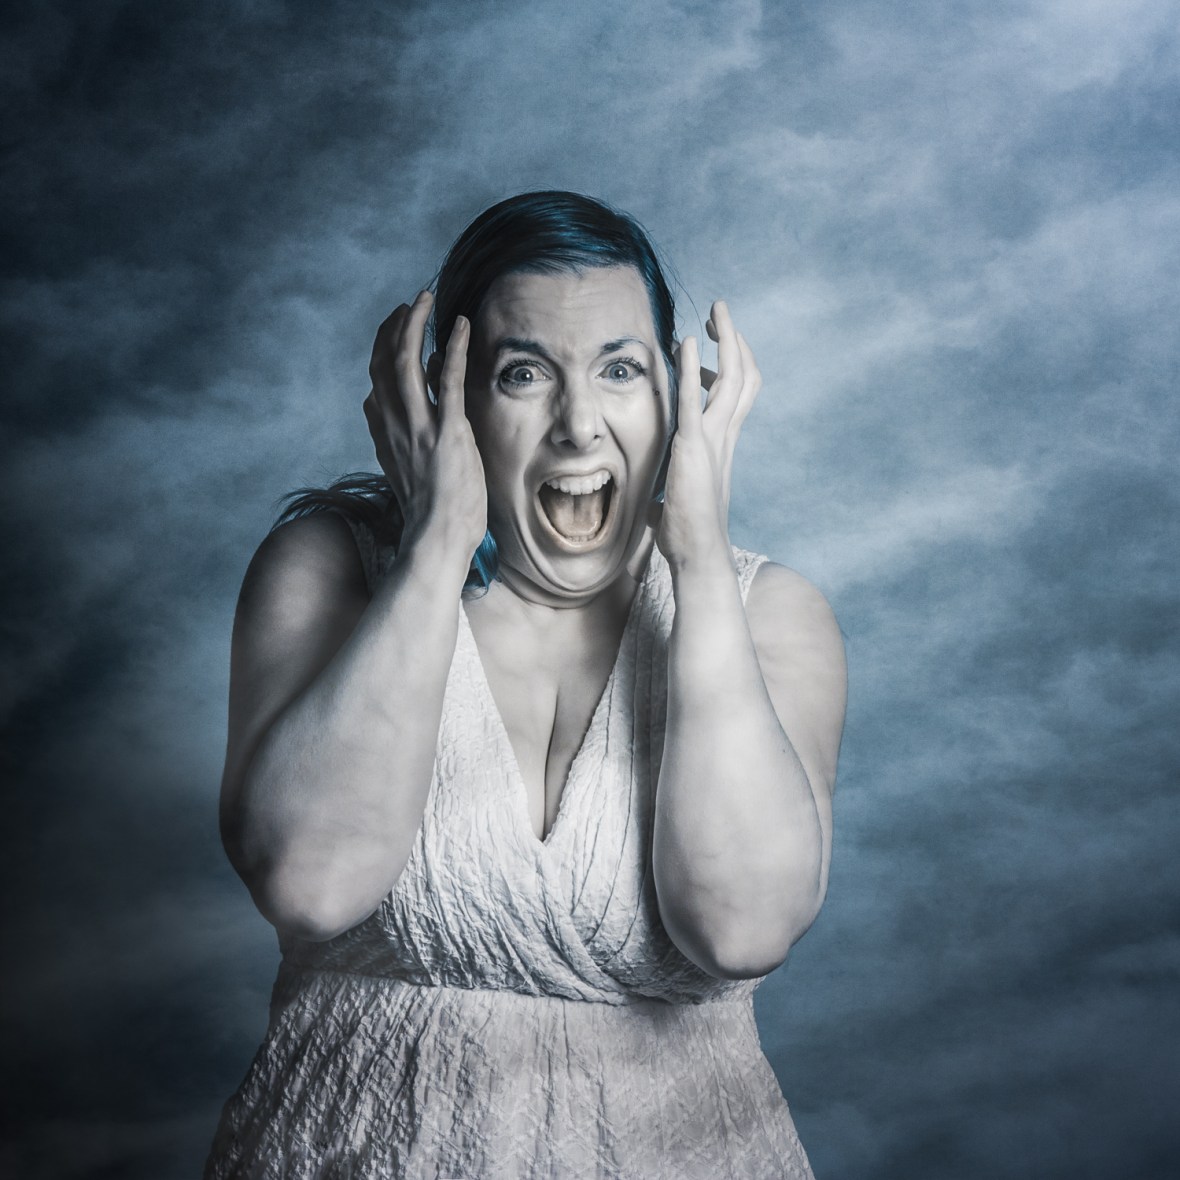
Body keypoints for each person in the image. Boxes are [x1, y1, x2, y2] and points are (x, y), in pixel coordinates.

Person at [205, 191, 847, 1179]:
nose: (579, 427)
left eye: (620, 370)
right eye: (523, 373)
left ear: (680, 398)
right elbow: (309, 884)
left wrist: (701, 568)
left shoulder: (771, 614)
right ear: (448, 401)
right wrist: (435, 546)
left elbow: (741, 928)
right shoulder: (328, 570)